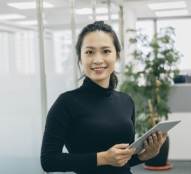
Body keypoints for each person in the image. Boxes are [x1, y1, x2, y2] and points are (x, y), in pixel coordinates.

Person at [40, 21, 168, 174]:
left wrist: (146, 155)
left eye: (106, 51)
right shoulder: (66, 103)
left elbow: (123, 160)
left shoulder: (126, 102)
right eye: (89, 52)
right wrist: (104, 158)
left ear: (117, 56)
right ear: (80, 58)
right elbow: (49, 161)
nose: (98, 60)